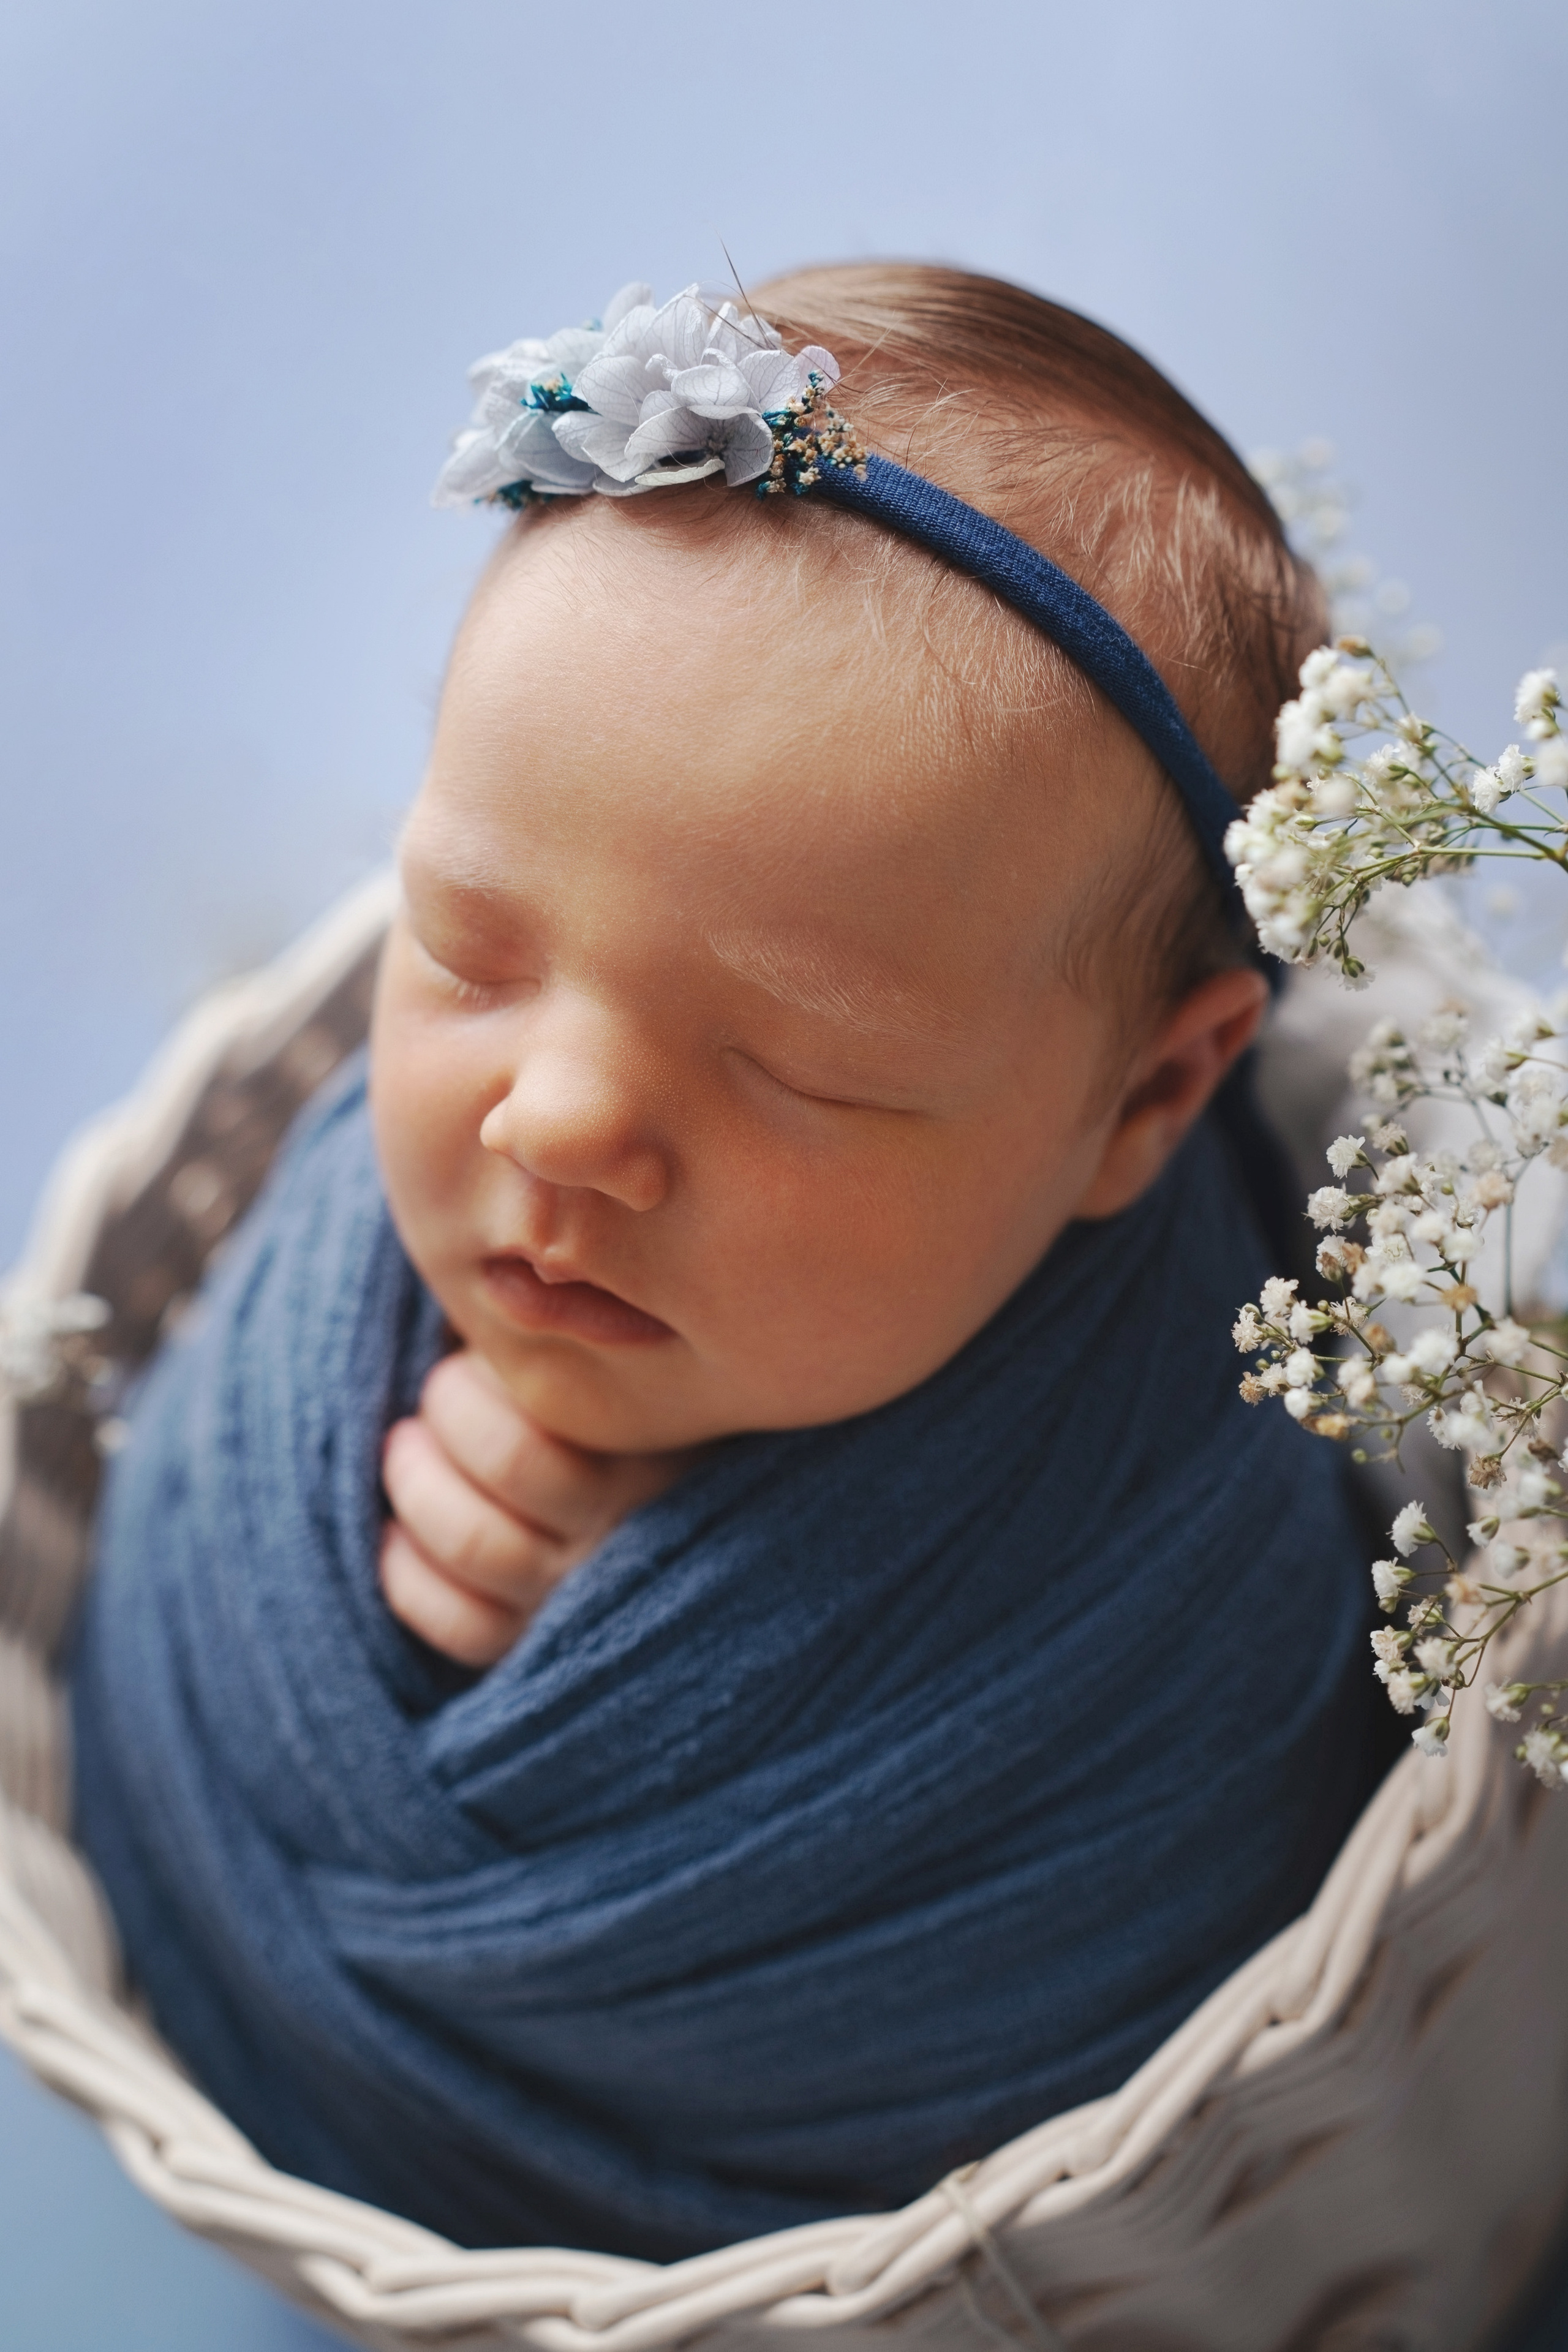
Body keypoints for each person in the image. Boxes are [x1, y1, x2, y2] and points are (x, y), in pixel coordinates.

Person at [72, 263, 1377, 2261]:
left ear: (1147, 1100)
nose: (553, 1122)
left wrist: (668, 1634)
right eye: (467, 947)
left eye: (801, 1068)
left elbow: (1186, 1873)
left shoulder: (1202, 1507)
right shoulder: (319, 1259)